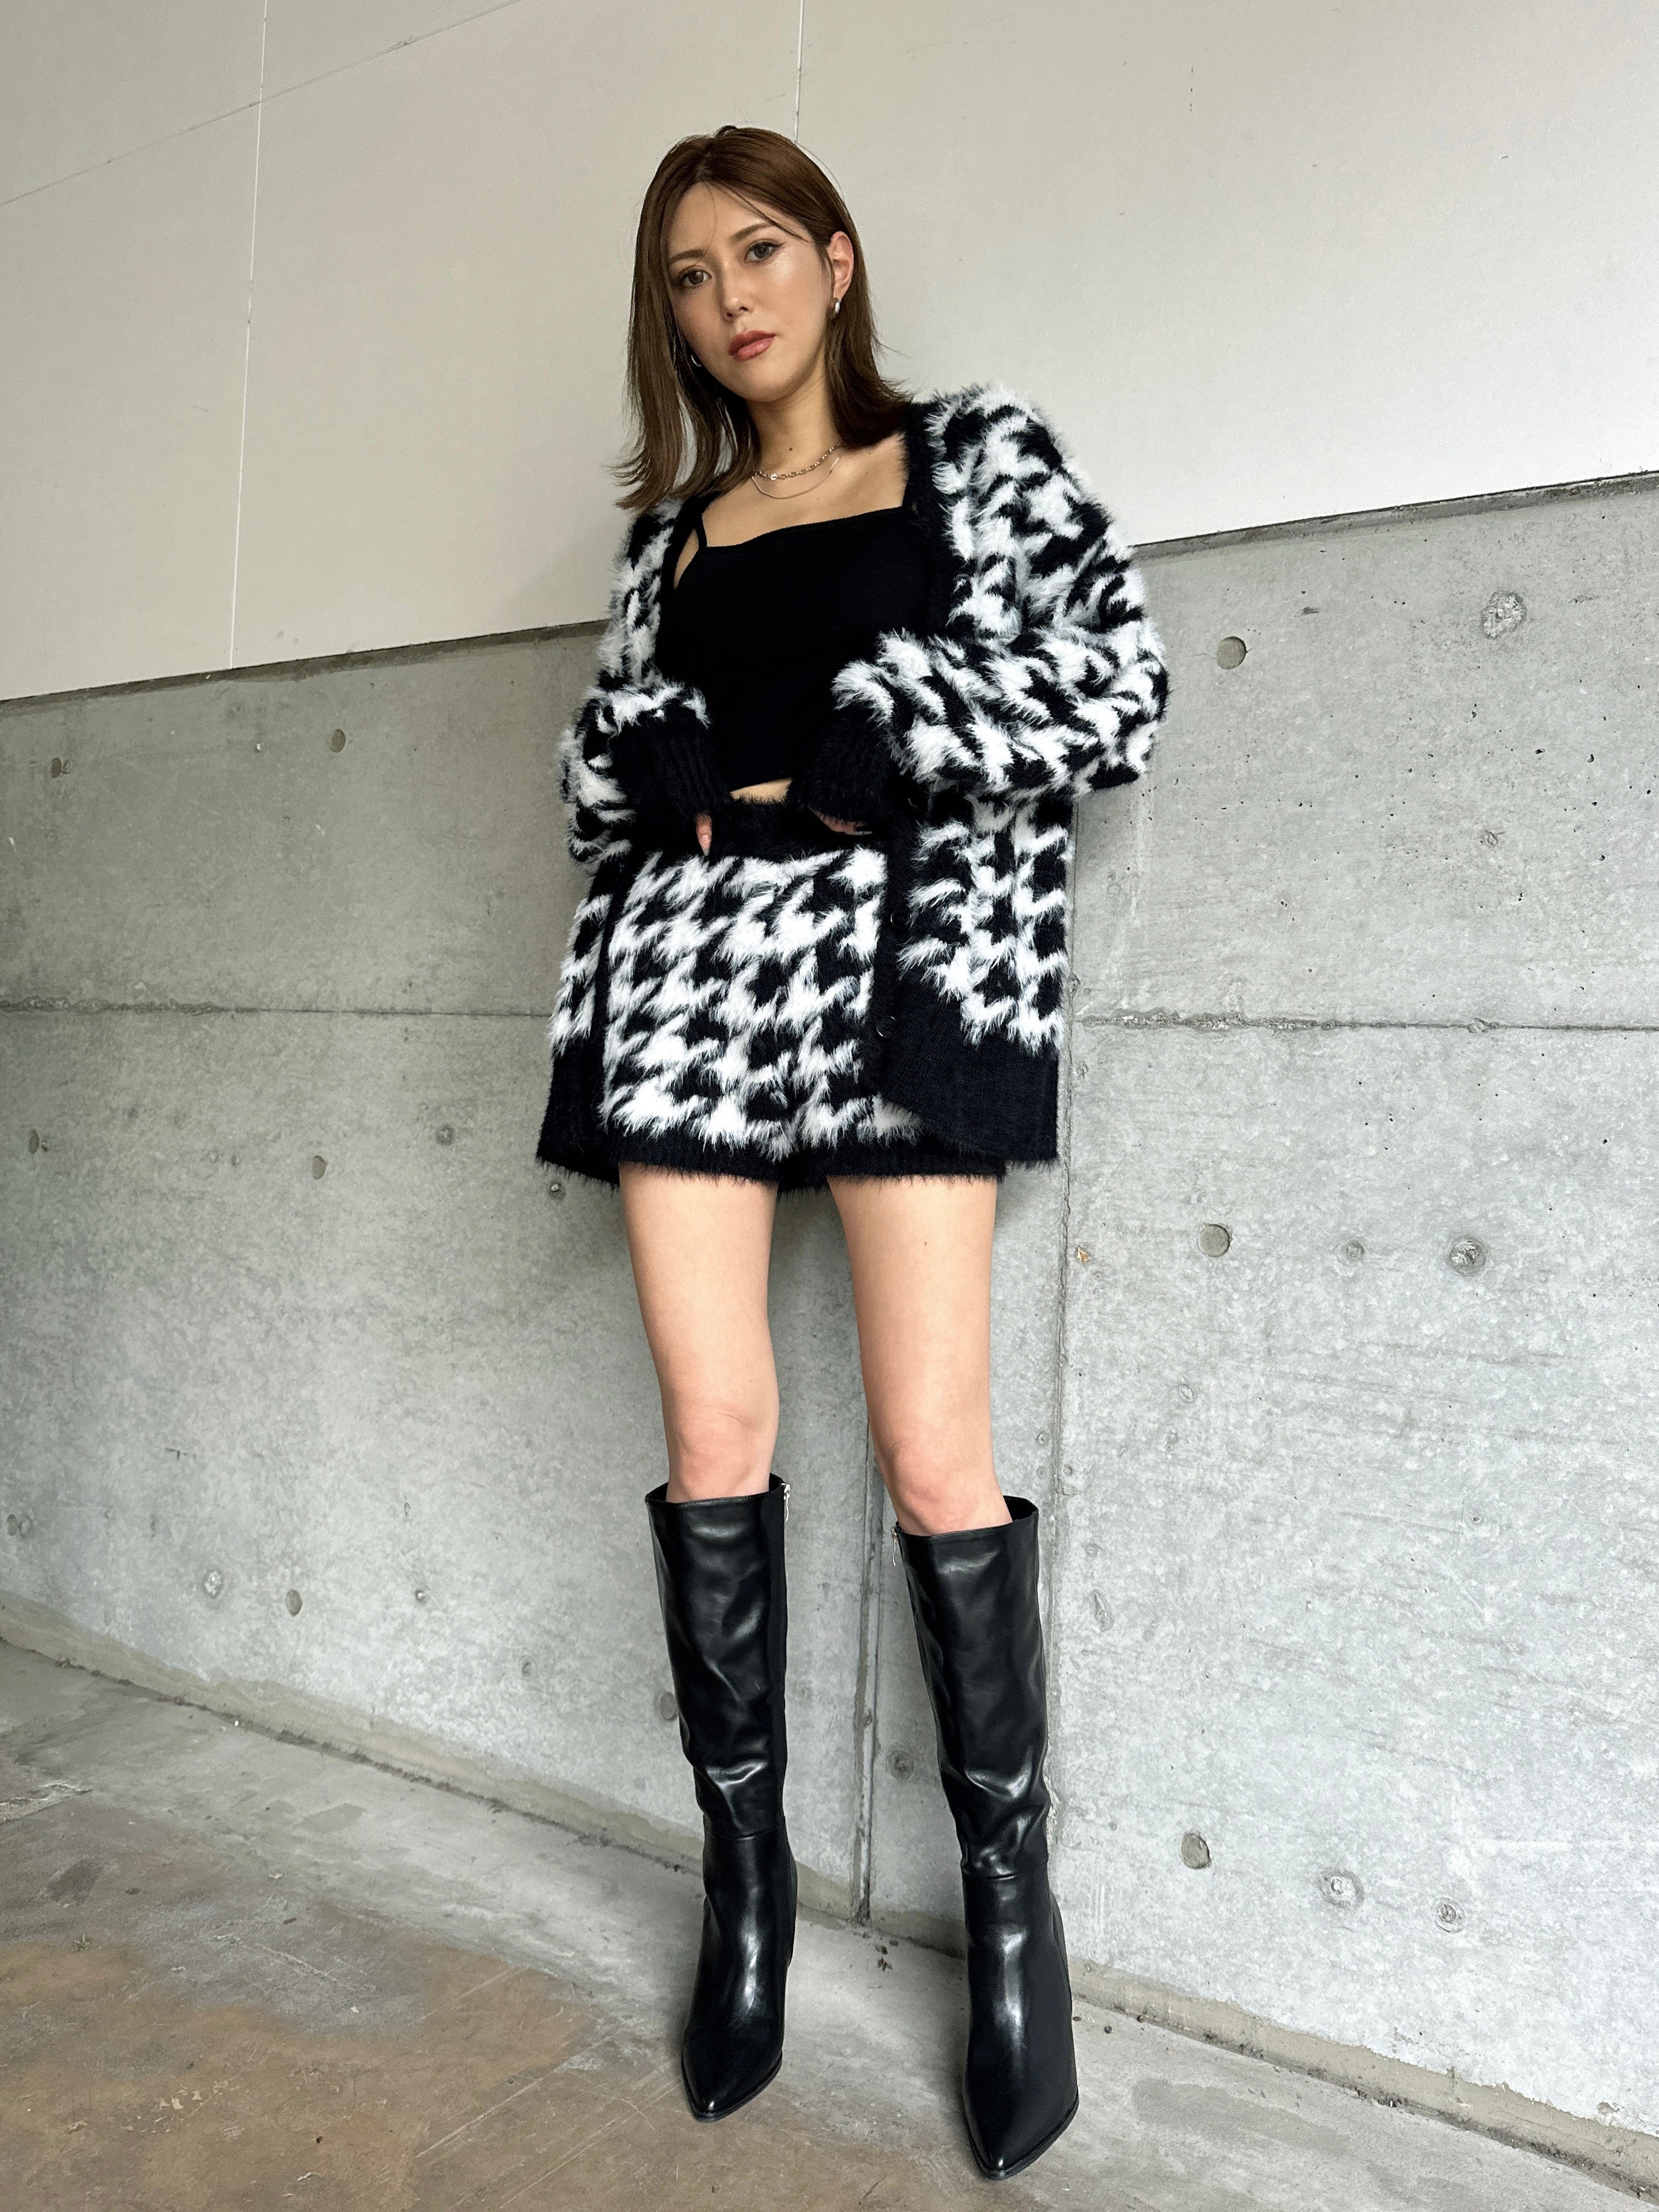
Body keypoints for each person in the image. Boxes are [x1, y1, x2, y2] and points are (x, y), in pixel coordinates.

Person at [537, 124, 1168, 2182]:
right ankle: (748, 1893)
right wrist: (637, 755)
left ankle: (1008, 1917)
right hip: (689, 975)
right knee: (713, 1429)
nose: (727, 300)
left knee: (930, 1450)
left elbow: (1119, 680)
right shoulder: (676, 536)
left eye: (756, 251)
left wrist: (903, 712)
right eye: (688, 275)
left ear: (831, 257)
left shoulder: (972, 455)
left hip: (906, 972)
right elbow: (596, 767)